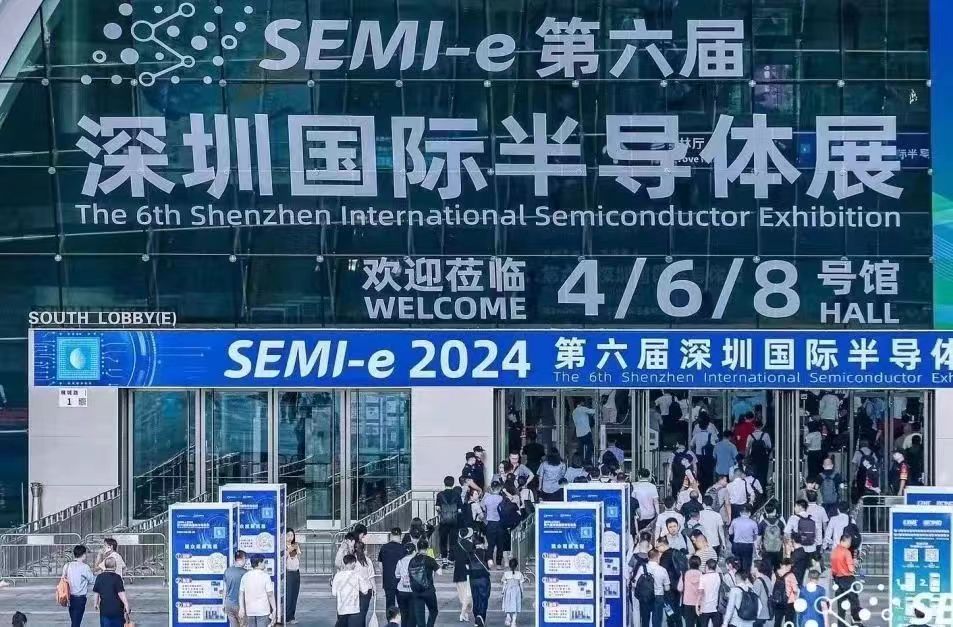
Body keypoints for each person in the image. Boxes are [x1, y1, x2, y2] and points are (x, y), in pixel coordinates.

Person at [333, 554, 372, 627]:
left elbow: (334, 593)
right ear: (353, 563)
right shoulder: (357, 575)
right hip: (354, 609)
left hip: (341, 609)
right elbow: (365, 590)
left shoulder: (337, 575)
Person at [408, 540, 441, 627]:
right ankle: (429, 625)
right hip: (428, 591)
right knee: (433, 610)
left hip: (416, 591)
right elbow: (439, 572)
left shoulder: (412, 560)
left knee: (420, 615)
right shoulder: (430, 559)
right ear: (427, 548)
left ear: (417, 548)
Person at [830, 534, 861, 625]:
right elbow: (851, 568)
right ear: (845, 541)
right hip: (848, 580)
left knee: (841, 606)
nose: (850, 544)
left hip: (837, 580)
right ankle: (855, 623)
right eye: (849, 542)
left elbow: (833, 569)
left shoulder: (834, 551)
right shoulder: (846, 552)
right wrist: (854, 565)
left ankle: (841, 624)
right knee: (854, 603)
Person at [63, 544, 96, 627]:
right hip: (80, 597)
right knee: (76, 622)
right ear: (83, 554)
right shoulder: (84, 567)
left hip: (69, 596)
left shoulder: (67, 565)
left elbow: (63, 578)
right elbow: (92, 580)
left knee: (74, 620)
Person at [636, 549, 670, 627]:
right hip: (658, 596)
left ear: (648, 557)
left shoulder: (642, 568)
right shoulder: (662, 570)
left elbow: (636, 583)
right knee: (657, 620)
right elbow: (667, 588)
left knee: (645, 619)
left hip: (645, 596)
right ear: (658, 557)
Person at [92, 557, 129, 627]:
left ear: (105, 566)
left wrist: (95, 603)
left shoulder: (99, 577)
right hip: (117, 609)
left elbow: (96, 592)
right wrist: (126, 604)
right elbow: (121, 593)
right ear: (115, 566)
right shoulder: (117, 577)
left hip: (104, 609)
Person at [465, 533, 492, 627]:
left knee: (475, 598)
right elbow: (490, 564)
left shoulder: (470, 553)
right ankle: (481, 616)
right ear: (482, 543)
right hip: (483, 578)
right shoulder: (486, 552)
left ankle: (476, 618)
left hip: (473, 578)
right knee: (484, 598)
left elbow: (466, 566)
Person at [379, 528, 406, 611]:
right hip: (401, 580)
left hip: (388, 580)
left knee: (390, 604)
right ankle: (403, 618)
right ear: (400, 536)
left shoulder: (384, 548)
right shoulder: (403, 548)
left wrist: (384, 574)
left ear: (391, 535)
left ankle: (391, 618)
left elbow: (380, 565)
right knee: (402, 604)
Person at [436, 476, 462, 563]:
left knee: (443, 540)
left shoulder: (440, 495)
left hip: (444, 521)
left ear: (444, 483)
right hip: (454, 521)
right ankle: (451, 559)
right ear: (453, 483)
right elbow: (459, 509)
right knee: (453, 541)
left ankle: (444, 558)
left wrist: (443, 512)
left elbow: (437, 508)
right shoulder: (457, 494)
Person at [729, 506, 759, 572]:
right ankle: (746, 575)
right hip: (748, 546)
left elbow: (730, 532)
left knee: (737, 563)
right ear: (749, 513)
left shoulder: (735, 521)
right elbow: (755, 536)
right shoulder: (753, 523)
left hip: (736, 545)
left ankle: (738, 575)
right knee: (747, 563)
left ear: (740, 513)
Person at [481, 482, 504, 566]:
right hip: (500, 523)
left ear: (491, 488)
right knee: (500, 545)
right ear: (499, 488)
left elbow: (483, 507)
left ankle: (489, 560)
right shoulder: (501, 498)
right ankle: (498, 564)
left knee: (490, 544)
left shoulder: (487, 498)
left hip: (490, 523)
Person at [222, 550, 248, 627]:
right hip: (240, 606)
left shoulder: (227, 571)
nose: (246, 561)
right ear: (243, 559)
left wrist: (223, 604)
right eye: (245, 559)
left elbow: (225, 590)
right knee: (244, 625)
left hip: (229, 604)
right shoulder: (245, 573)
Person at [354, 541, 377, 626]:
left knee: (355, 614)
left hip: (354, 590)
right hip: (367, 590)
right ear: (364, 549)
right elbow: (371, 577)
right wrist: (375, 589)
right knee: (363, 614)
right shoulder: (367, 561)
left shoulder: (352, 561)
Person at [394, 543, 417, 627]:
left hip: (402, 591)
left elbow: (397, 575)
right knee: (413, 615)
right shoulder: (417, 561)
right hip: (414, 591)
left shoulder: (400, 561)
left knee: (404, 614)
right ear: (414, 551)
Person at [453, 528, 473, 623]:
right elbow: (472, 558)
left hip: (457, 572)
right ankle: (463, 613)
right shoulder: (471, 545)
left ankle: (465, 614)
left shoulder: (455, 545)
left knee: (462, 595)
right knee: (468, 594)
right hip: (467, 571)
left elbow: (451, 558)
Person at [746, 420, 772, 489]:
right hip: (763, 459)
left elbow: (747, 448)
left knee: (754, 474)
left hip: (753, 459)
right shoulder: (766, 435)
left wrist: (746, 459)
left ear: (754, 426)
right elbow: (769, 446)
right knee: (763, 475)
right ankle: (762, 489)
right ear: (761, 426)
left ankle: (754, 489)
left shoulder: (750, 436)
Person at [758, 506, 786, 571]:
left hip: (766, 548)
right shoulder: (780, 522)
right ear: (774, 511)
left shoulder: (762, 523)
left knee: (767, 567)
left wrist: (758, 546)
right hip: (778, 549)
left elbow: (759, 536)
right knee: (777, 567)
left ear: (765, 512)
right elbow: (783, 536)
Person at [772, 560, 798, 627]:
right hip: (789, 602)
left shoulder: (775, 574)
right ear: (787, 565)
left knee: (777, 621)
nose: (790, 568)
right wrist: (796, 598)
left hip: (777, 601)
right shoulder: (791, 575)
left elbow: (772, 587)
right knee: (789, 622)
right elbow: (795, 589)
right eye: (790, 566)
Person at [678, 555, 703, 627]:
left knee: (689, 624)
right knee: (700, 624)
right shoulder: (703, 575)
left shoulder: (684, 574)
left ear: (689, 563)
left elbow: (680, 588)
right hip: (700, 603)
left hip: (687, 603)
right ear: (699, 564)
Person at [697, 558, 722, 627]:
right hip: (716, 607)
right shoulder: (719, 576)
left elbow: (700, 593)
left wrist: (697, 605)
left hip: (705, 608)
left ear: (707, 566)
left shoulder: (703, 577)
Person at [571, 398, 597, 463]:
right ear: (581, 402)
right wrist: (598, 406)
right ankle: (587, 460)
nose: (584, 403)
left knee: (581, 448)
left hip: (579, 433)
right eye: (583, 402)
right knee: (590, 446)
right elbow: (594, 411)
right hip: (586, 431)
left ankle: (580, 461)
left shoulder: (574, 412)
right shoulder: (583, 409)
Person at [501, 558, 525, 627]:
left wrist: (502, 592)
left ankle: (508, 616)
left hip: (508, 590)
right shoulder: (519, 574)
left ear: (509, 565)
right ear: (517, 565)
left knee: (507, 603)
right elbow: (521, 585)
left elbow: (504, 584)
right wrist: (522, 593)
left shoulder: (506, 574)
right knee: (516, 605)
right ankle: (513, 622)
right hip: (516, 591)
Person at [285, 528, 301, 623]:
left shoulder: (295, 545)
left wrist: (295, 550)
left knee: (294, 595)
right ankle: (286, 616)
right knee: (289, 595)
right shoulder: (282, 546)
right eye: (288, 535)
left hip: (296, 572)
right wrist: (288, 550)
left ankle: (291, 616)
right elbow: (282, 558)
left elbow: (297, 557)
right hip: (288, 572)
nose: (290, 537)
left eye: (292, 535)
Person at [751, 561, 774, 627]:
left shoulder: (758, 581)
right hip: (766, 611)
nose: (751, 568)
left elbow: (754, 597)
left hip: (759, 613)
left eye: (752, 566)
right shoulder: (767, 578)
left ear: (756, 568)